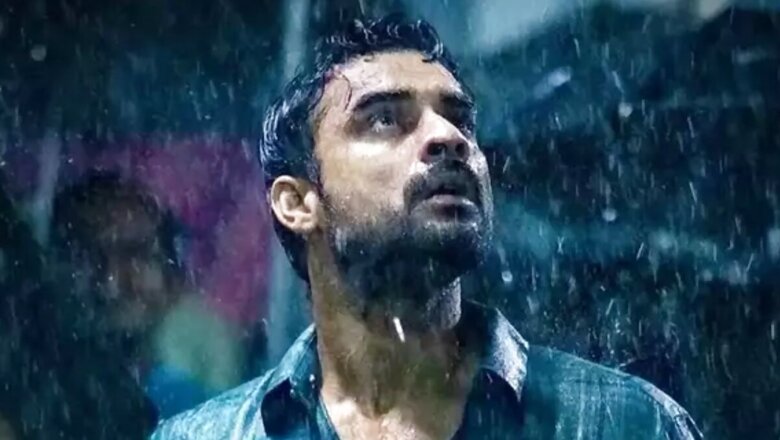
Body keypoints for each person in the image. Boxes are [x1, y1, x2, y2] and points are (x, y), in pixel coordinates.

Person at [153, 15, 702, 439]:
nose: (449, 137)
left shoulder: (626, 424)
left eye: (460, 118)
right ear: (297, 202)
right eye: (384, 119)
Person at [49, 171, 246, 419]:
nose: (110, 284)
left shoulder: (202, 398)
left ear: (172, 271)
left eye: (134, 254)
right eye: (86, 258)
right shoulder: (34, 389)